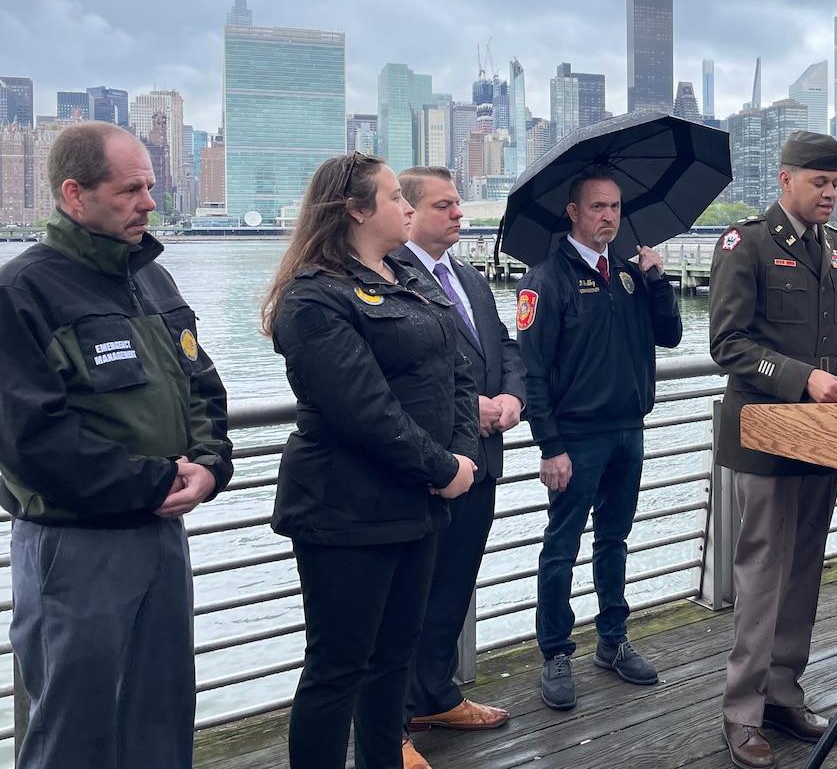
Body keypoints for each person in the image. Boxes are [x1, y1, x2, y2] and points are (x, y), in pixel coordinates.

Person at [0, 121, 233, 769]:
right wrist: (155, 481)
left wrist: (210, 467)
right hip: (74, 549)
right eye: (131, 189)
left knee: (161, 721)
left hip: (160, 538)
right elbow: (33, 440)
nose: (150, 203)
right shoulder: (20, 292)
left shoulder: (153, 283)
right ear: (75, 195)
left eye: (152, 186)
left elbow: (204, 391)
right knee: (75, 733)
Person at [709, 131, 837, 769]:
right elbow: (728, 343)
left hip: (825, 434)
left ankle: (783, 690)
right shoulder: (744, 244)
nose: (830, 194)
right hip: (769, 431)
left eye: (835, 183)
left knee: (804, 569)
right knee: (762, 571)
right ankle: (741, 712)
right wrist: (803, 377)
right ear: (785, 180)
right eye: (818, 183)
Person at [261, 152, 479, 769]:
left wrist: (460, 454)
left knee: (393, 661)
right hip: (346, 512)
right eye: (392, 197)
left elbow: (457, 372)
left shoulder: (408, 282)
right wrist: (442, 469)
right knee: (338, 668)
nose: (407, 206)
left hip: (416, 507)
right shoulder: (314, 299)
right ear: (356, 210)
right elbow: (365, 411)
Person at [516, 165, 683, 711]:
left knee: (615, 539)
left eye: (614, 207)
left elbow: (671, 335)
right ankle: (556, 652)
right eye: (596, 207)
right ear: (574, 212)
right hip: (575, 437)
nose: (608, 216)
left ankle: (612, 641)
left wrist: (658, 280)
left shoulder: (633, 276)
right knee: (560, 547)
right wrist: (549, 446)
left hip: (628, 429)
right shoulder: (545, 280)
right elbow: (533, 370)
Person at [395, 167, 524, 752]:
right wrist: (473, 407)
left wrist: (513, 398)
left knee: (454, 586)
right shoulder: (391, 280)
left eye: (458, 205)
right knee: (407, 597)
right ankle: (391, 720)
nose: (458, 215)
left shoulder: (470, 278)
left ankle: (436, 696)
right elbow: (401, 375)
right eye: (444, 206)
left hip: (486, 459)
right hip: (432, 464)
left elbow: (506, 346)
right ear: (409, 212)